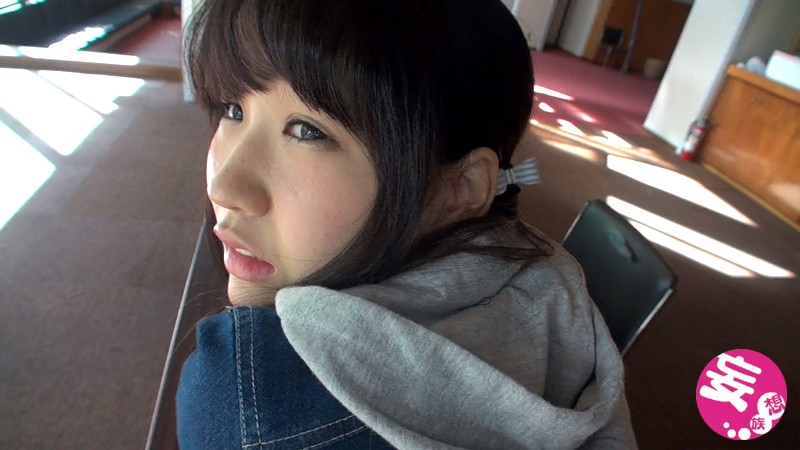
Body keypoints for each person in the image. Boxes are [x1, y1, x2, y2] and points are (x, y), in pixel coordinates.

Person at [176, 0, 637, 448]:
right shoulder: (548, 276)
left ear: (461, 188)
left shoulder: (251, 394)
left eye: (307, 131)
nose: (225, 186)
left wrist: (251, 348)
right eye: (232, 109)